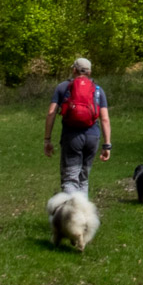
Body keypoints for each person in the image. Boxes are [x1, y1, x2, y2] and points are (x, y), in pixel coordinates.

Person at [43, 57, 111, 195]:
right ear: (89, 72)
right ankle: (83, 215)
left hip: (72, 137)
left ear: (74, 70)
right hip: (92, 137)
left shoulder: (63, 87)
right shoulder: (97, 90)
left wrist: (47, 140)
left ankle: (72, 215)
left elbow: (51, 113)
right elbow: (105, 119)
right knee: (83, 180)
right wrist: (107, 145)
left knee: (70, 180)